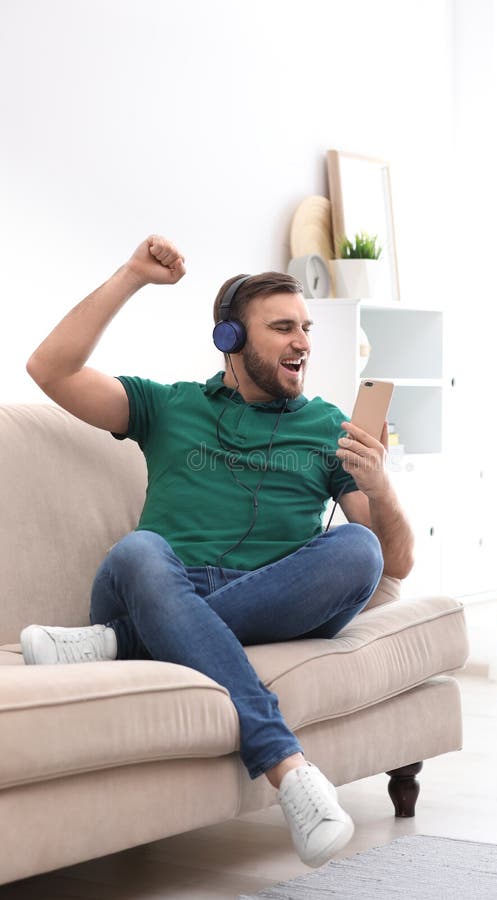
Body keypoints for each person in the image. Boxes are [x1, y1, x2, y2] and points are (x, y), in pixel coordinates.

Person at [20, 235, 414, 869]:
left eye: (306, 329)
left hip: (272, 597)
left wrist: (380, 486)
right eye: (282, 328)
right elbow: (50, 369)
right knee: (140, 548)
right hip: (158, 582)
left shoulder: (327, 427)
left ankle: (125, 642)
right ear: (229, 340)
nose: (303, 344)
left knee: (358, 548)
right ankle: (288, 766)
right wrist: (132, 275)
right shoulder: (170, 405)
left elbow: (394, 562)